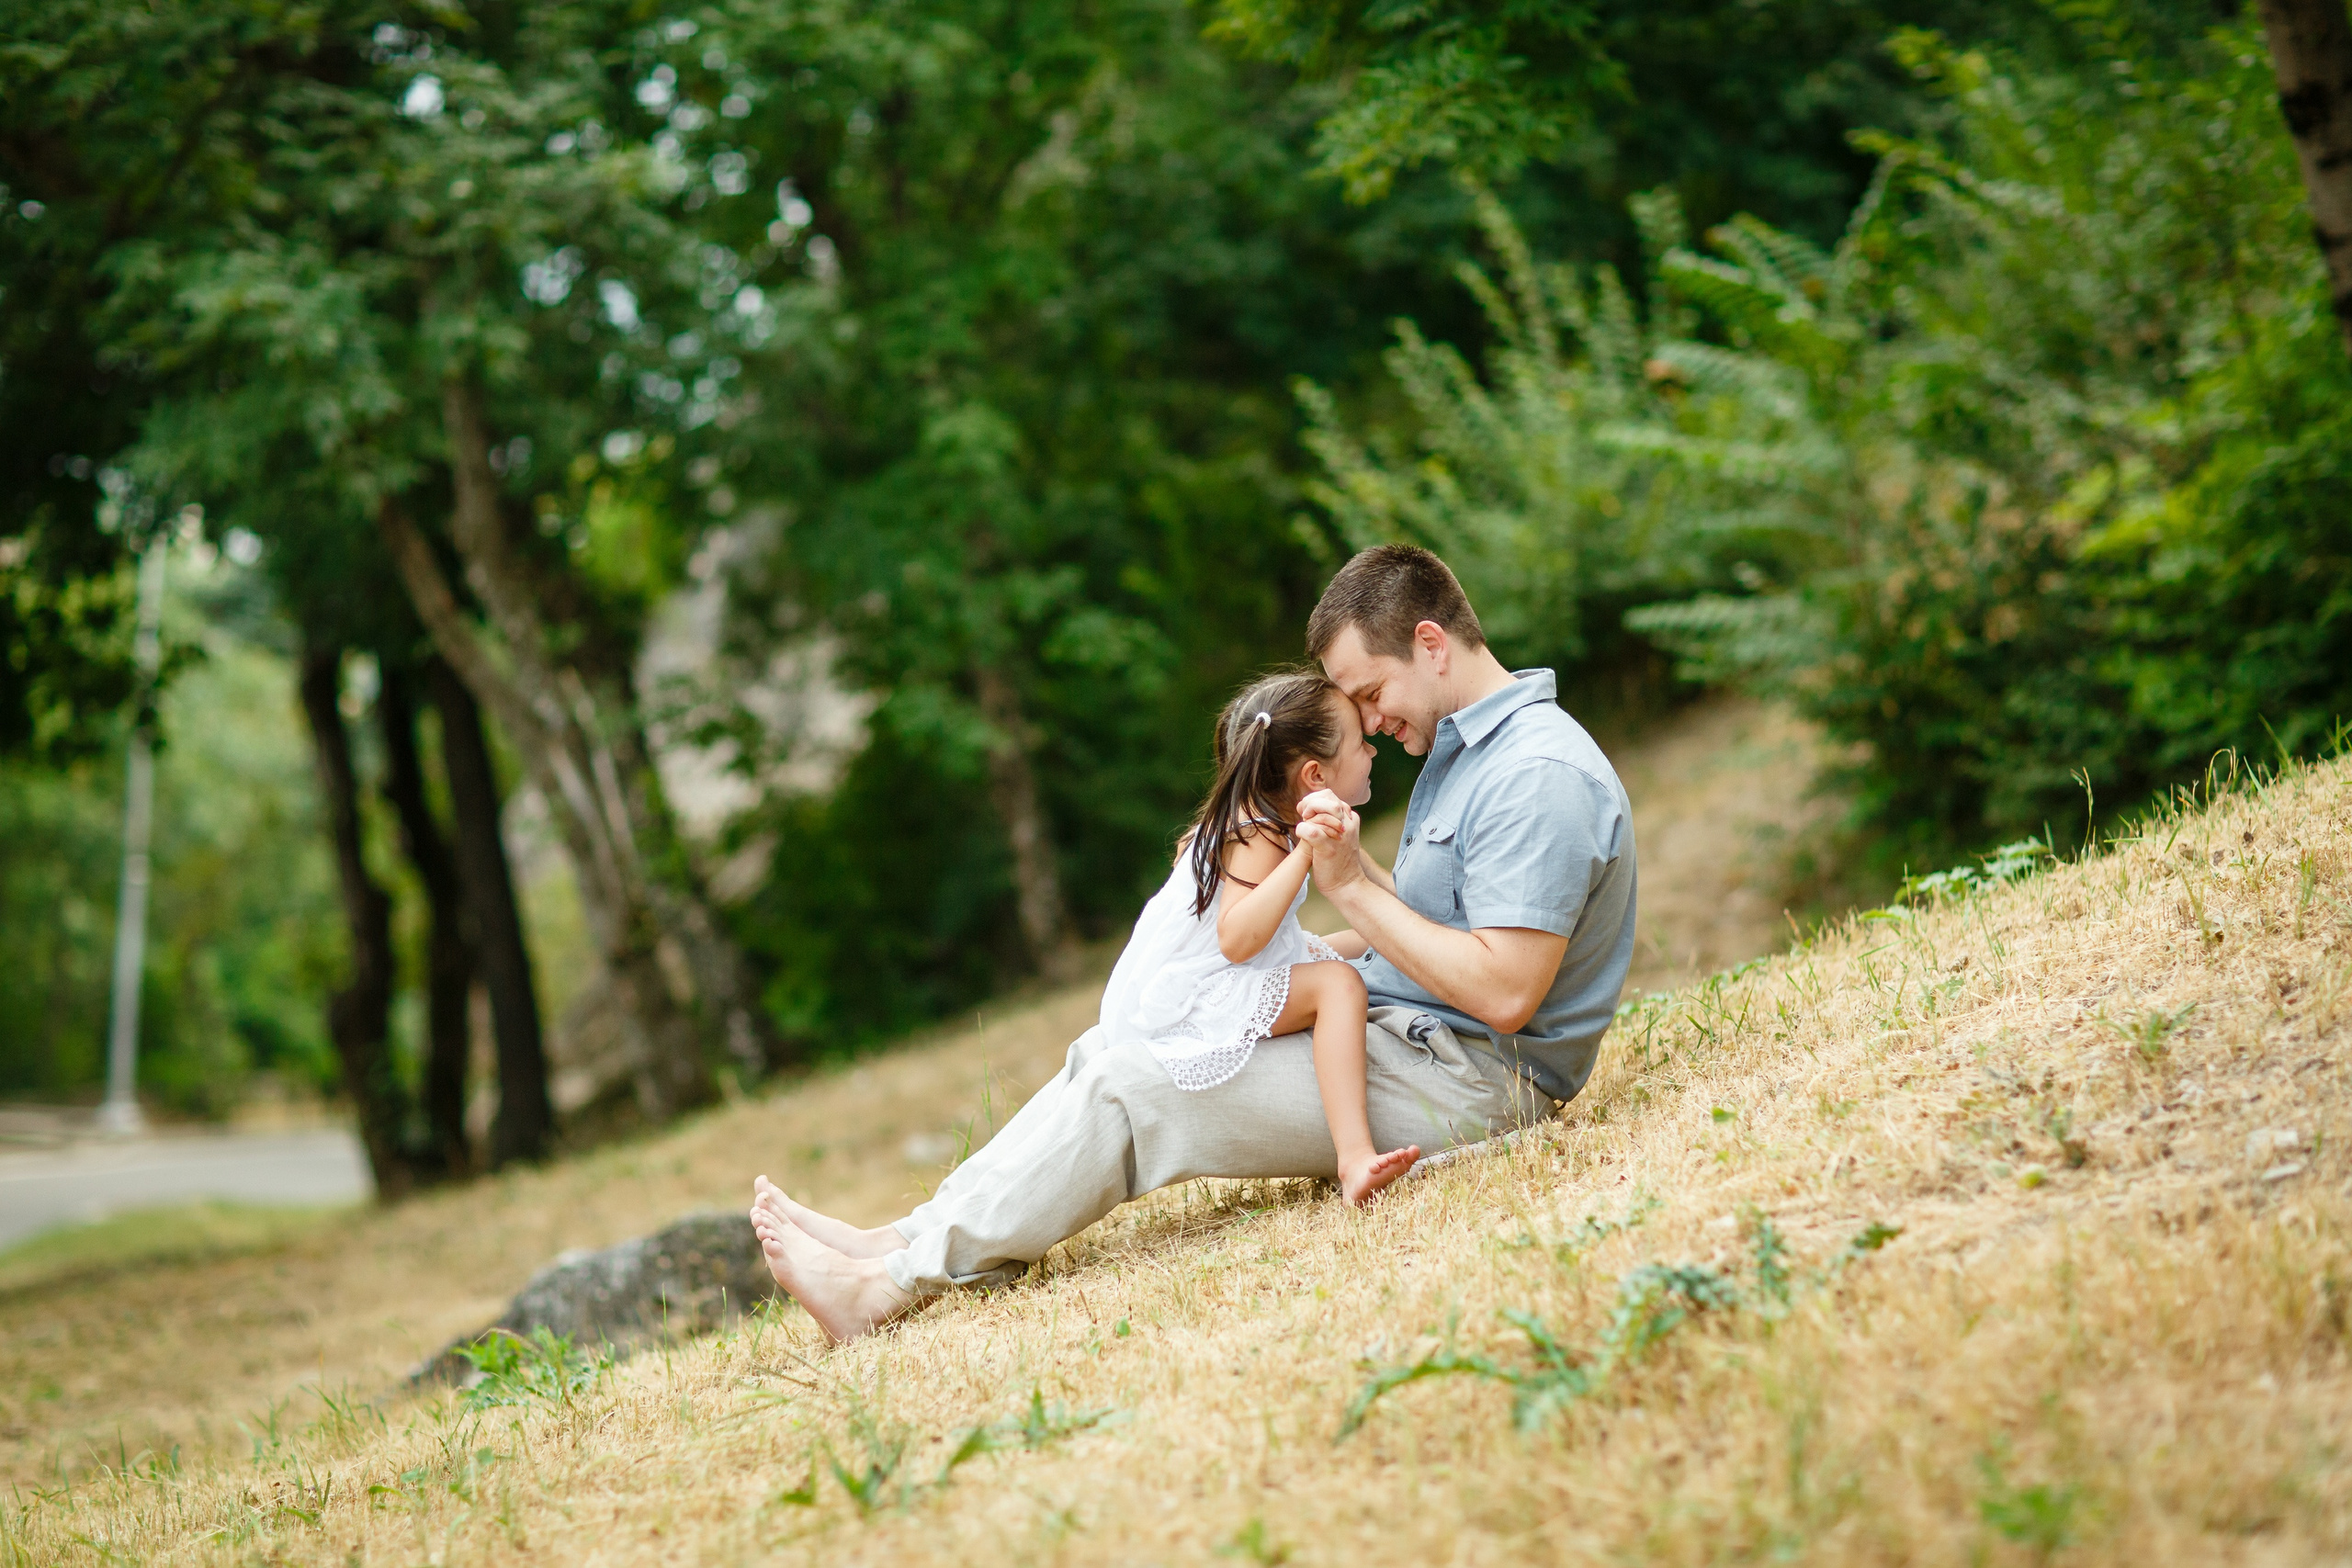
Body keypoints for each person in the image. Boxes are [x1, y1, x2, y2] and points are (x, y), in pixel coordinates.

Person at [750, 543, 1637, 1343]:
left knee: (1139, 1091)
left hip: (1471, 1082)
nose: (1370, 725)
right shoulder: (1460, 753)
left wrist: (1354, 887)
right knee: (1114, 1052)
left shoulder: (1534, 775)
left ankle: (889, 1291)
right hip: (1407, 1038)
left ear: (1432, 644)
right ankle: (903, 1238)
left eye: (1371, 694)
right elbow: (1426, 938)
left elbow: (1506, 994)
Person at [1097, 668, 1420, 1205]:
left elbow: (1383, 897)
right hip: (1199, 992)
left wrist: (1414, 918)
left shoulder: (1282, 819)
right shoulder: (1260, 833)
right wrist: (1304, 854)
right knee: (1338, 985)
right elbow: (1236, 940)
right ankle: (1355, 1156)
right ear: (1315, 775)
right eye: (1362, 744)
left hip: (1235, 968)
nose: (1373, 751)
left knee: (1367, 940)